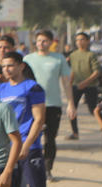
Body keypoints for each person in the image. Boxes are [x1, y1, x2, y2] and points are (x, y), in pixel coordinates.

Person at [0, 52, 57, 187]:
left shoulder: (32, 87)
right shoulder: (0, 89)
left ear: (21, 66)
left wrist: (26, 144)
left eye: (11, 65)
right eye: (4, 66)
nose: (7, 70)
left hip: (30, 148)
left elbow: (39, 119)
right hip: (7, 148)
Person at [24, 30, 72, 174]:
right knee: (31, 136)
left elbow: (66, 82)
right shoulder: (27, 59)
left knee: (50, 138)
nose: (41, 43)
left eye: (44, 41)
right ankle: (30, 166)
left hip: (52, 104)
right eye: (39, 41)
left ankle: (47, 168)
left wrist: (71, 103)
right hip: (32, 104)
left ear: (51, 42)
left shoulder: (58, 59)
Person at [67, 31, 102, 140]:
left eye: (82, 39)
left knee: (93, 109)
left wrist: (85, 83)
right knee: (72, 109)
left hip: (90, 86)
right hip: (75, 86)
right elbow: (72, 71)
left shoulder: (91, 55)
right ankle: (75, 132)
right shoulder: (73, 55)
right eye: (77, 40)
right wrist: (69, 84)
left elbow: (96, 72)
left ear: (87, 41)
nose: (79, 42)